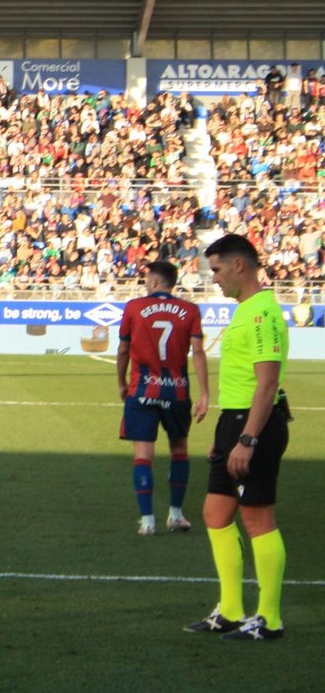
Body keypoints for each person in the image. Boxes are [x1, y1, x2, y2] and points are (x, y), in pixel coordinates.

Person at [185, 234, 291, 642]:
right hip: (235, 422)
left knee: (257, 517)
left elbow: (266, 384)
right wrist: (226, 434)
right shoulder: (245, 311)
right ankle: (230, 610)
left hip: (255, 425)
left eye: (216, 269)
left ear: (239, 266)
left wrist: (247, 439)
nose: (214, 278)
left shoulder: (263, 312)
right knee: (215, 514)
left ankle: (270, 618)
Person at [116, 260, 208, 535]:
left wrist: (121, 382)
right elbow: (198, 352)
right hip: (177, 390)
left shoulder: (134, 307)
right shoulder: (190, 310)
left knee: (143, 454)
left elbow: (123, 350)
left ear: (155, 282)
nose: (145, 283)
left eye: (147, 279)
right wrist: (205, 393)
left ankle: (147, 521)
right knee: (179, 449)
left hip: (142, 389)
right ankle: (176, 515)